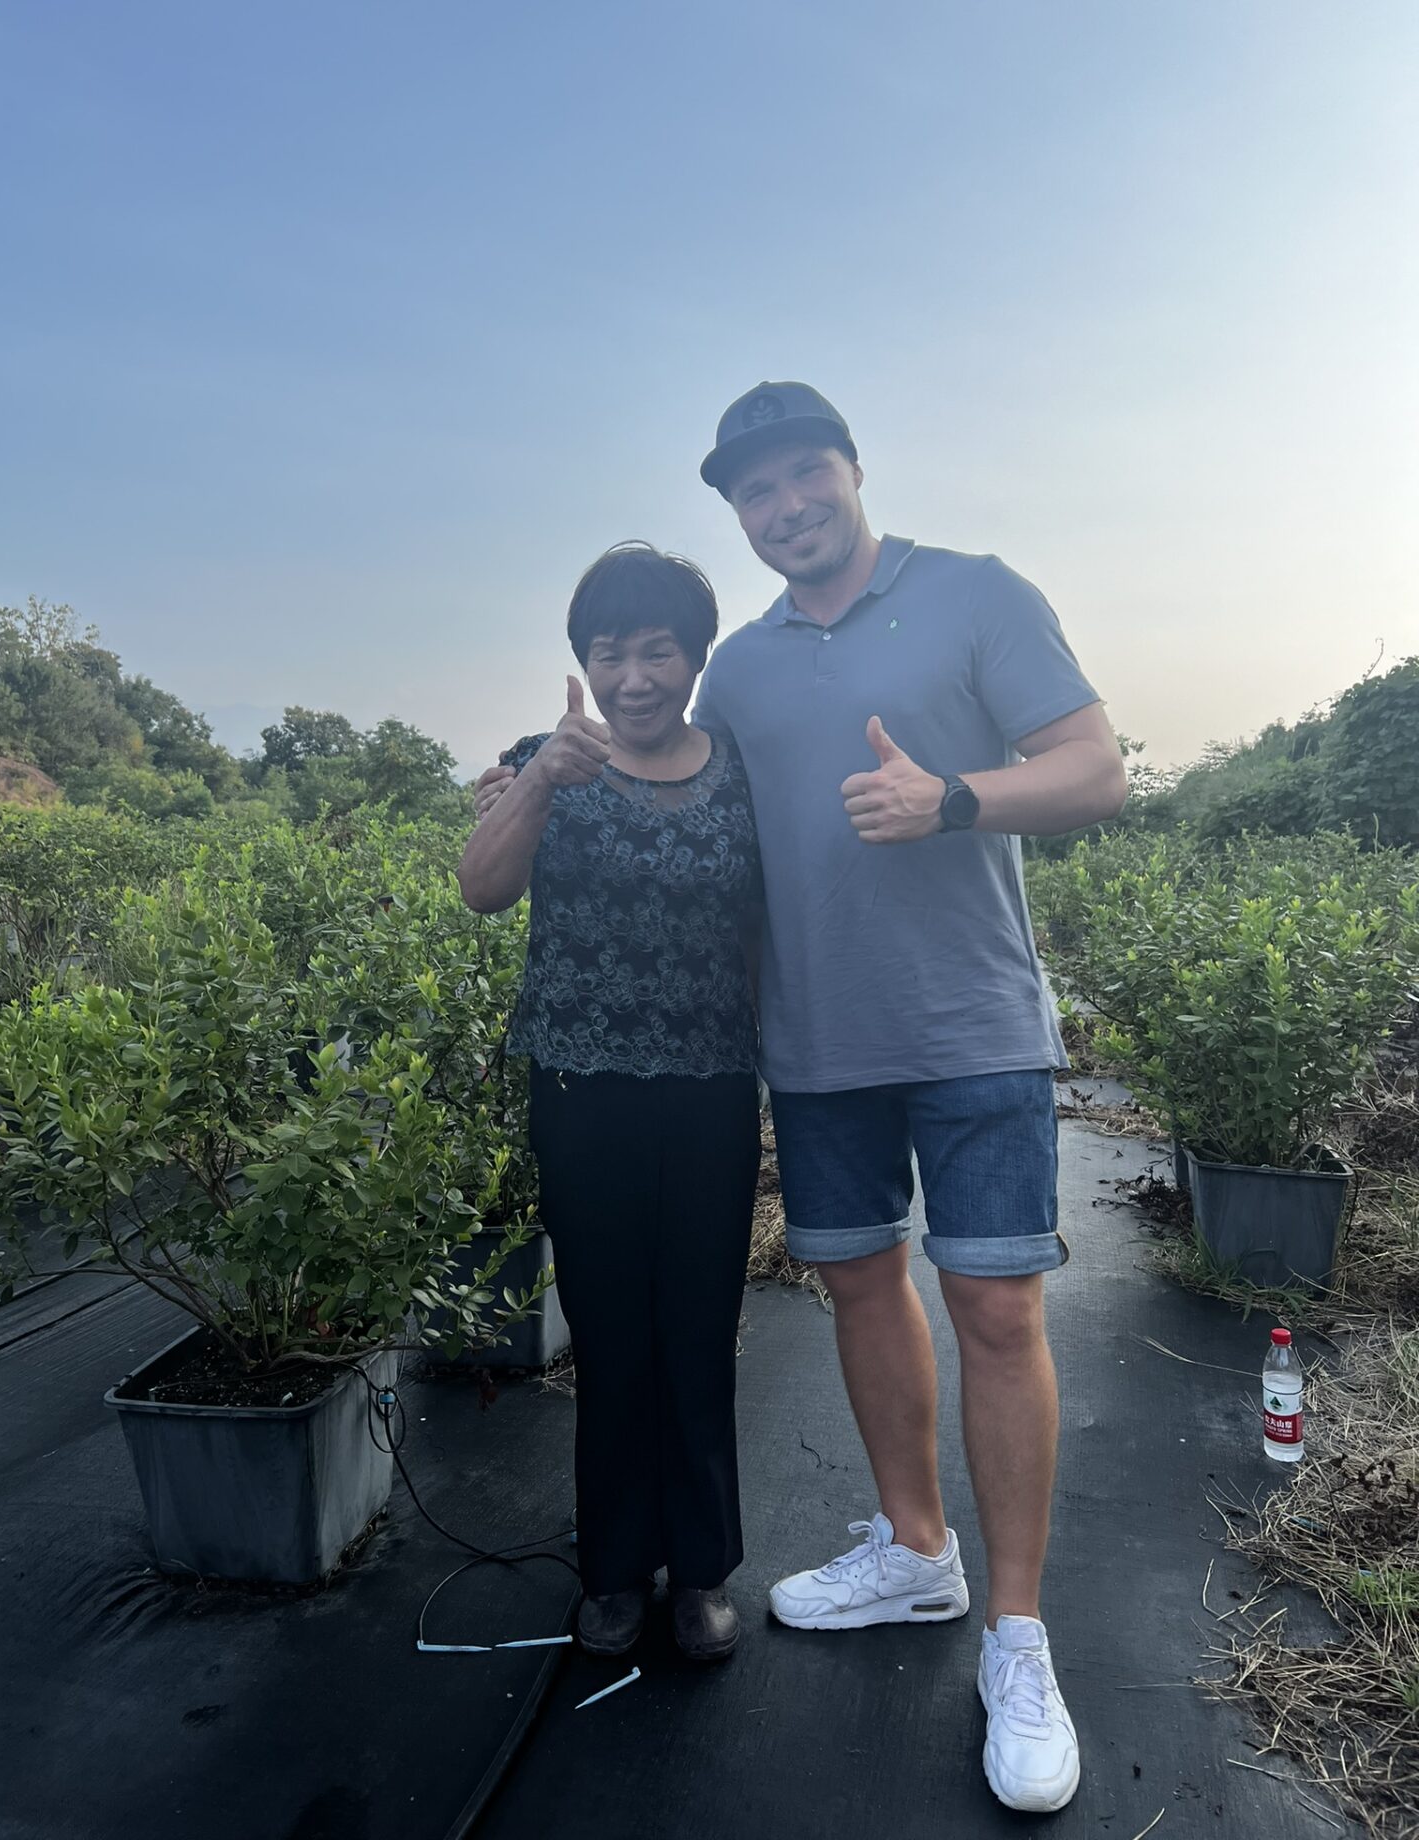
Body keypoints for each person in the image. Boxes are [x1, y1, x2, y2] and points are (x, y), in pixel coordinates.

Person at [476, 384, 1125, 1814]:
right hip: (817, 1048)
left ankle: (1017, 1636)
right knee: (857, 1288)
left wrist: (954, 798)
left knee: (1000, 1306)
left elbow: (1098, 770)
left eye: (802, 478)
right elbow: (632, 807)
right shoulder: (745, 676)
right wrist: (532, 772)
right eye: (754, 494)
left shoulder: (975, 593)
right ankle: (914, 1551)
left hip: (969, 1026)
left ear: (849, 471)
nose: (783, 509)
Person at [459, 541, 762, 1665]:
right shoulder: (544, 762)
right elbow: (483, 891)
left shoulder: (737, 769)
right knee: (610, 1329)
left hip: (712, 1091)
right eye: (609, 652)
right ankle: (614, 1570)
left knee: (698, 1326)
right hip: (581, 1089)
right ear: (584, 661)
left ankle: (704, 1573)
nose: (633, 676)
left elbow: (762, 926)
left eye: (657, 650)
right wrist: (539, 779)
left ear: (693, 657)